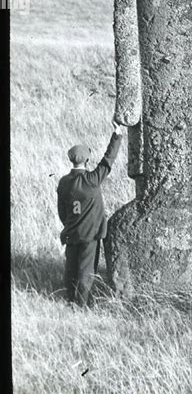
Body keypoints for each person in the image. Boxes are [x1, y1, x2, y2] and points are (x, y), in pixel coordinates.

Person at [57, 120, 123, 306]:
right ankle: (81, 305)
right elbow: (108, 160)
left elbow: (62, 211)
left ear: (71, 159)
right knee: (85, 272)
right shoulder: (92, 180)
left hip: (71, 232)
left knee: (70, 268)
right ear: (87, 160)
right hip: (90, 235)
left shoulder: (63, 182)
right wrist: (116, 135)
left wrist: (71, 224)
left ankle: (70, 301)